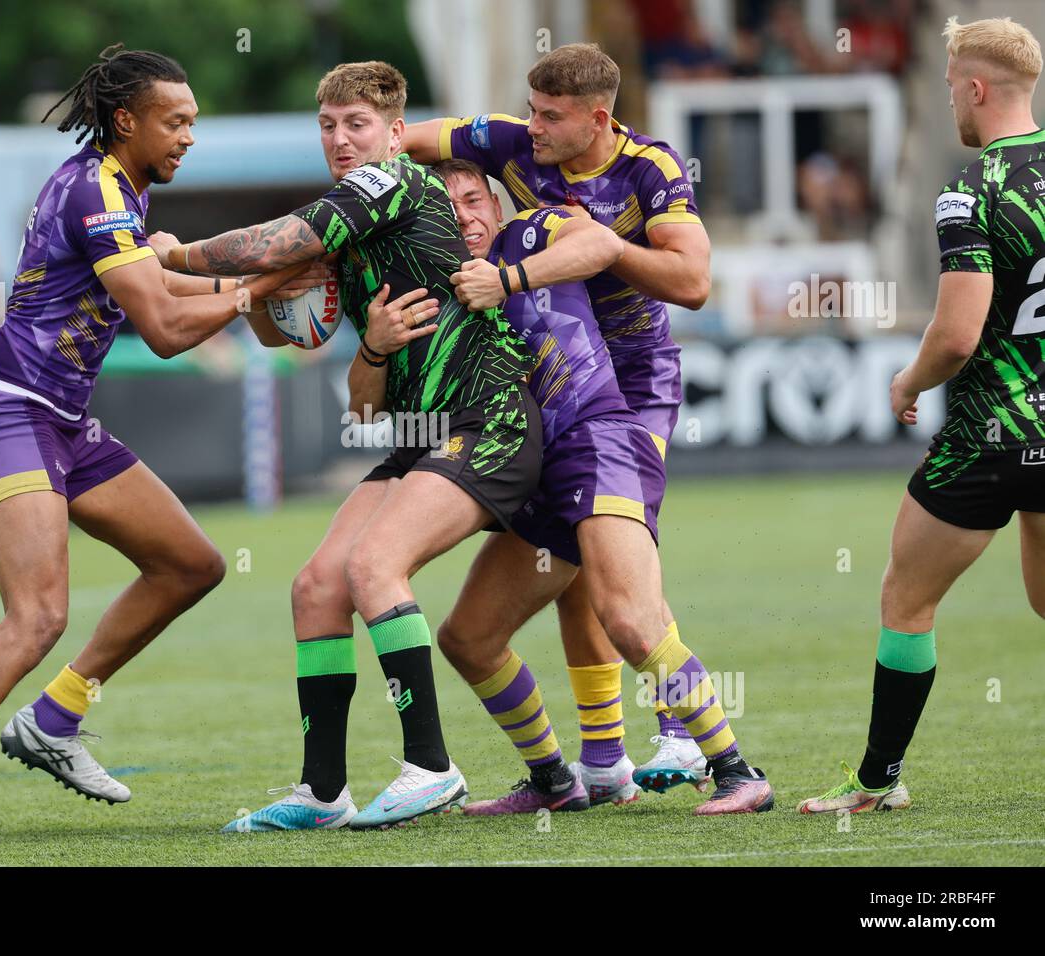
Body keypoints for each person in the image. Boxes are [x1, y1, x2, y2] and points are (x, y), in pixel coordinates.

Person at [0, 44, 305, 847]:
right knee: (35, 617)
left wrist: (262, 283)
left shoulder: (117, 189)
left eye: (193, 123)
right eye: (175, 122)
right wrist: (255, 288)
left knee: (191, 565)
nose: (189, 137)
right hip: (8, 414)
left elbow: (164, 284)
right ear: (126, 120)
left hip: (61, 421)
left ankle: (55, 717)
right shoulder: (97, 192)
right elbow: (166, 330)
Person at [153, 61, 543, 831]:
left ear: (396, 134)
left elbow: (275, 242)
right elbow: (340, 382)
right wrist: (353, 339)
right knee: (316, 587)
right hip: (414, 438)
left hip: (486, 420)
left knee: (373, 566)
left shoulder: (388, 184)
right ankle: (322, 792)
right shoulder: (356, 225)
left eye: (356, 124)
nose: (339, 139)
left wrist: (173, 255)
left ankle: (431, 766)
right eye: (327, 125)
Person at [403, 42, 726, 798]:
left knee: (618, 540)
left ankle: (681, 737)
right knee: (576, 563)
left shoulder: (652, 170)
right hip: (556, 370)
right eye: (532, 110)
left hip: (636, 377)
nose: (534, 128)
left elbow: (695, 281)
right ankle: (606, 763)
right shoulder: (516, 141)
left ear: (598, 119)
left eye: (551, 117)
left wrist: (605, 249)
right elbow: (406, 140)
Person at [434, 158, 770, 815]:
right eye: (447, 208)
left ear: (497, 209)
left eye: (474, 199)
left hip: (598, 443)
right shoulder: (434, 289)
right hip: (531, 476)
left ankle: (738, 772)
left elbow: (598, 242)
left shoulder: (529, 234)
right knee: (466, 636)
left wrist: (507, 278)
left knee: (631, 622)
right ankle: (557, 781)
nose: (465, 215)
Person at [800, 16, 1045, 815]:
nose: (950, 104)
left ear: (975, 87)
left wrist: (906, 383)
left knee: (906, 598)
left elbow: (957, 334)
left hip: (988, 435)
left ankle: (876, 782)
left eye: (949, 88)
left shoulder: (970, 189)